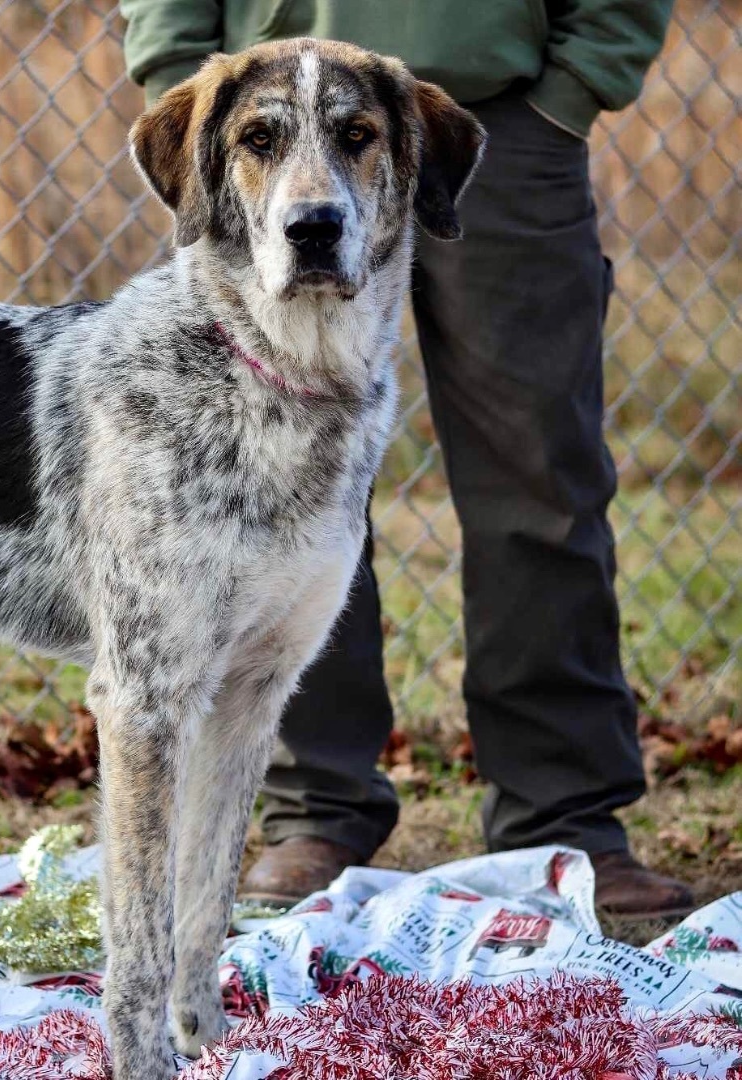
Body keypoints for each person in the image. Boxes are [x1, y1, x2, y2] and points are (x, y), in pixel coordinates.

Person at [120, 0, 694, 919]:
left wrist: (575, 87)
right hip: (267, 125)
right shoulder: (242, 126)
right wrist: (179, 74)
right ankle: (315, 807)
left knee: (541, 478)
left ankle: (565, 819)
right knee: (280, 499)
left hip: (507, 120)